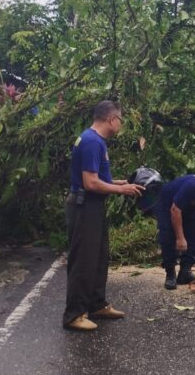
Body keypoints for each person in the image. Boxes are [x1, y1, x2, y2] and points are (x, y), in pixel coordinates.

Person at [63, 100, 145, 331]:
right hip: (84, 206)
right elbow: (90, 183)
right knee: (83, 261)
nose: (121, 125)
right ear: (112, 120)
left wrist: (121, 183)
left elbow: (98, 178)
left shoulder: (96, 141)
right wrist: (121, 190)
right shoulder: (91, 142)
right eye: (120, 120)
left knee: (99, 257)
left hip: (93, 206)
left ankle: (96, 304)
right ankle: (74, 315)